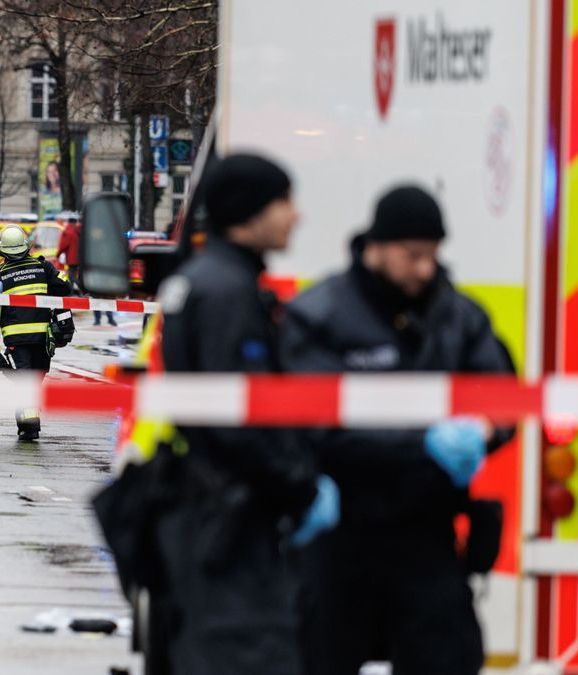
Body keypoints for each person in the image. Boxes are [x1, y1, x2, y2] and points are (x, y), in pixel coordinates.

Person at [281, 185, 515, 675]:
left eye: (432, 256)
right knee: (318, 657)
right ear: (377, 246)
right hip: (342, 534)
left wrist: (486, 430)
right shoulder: (321, 314)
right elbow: (315, 421)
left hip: (425, 533)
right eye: (413, 256)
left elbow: (503, 397)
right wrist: (422, 443)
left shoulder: (458, 317)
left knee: (449, 659)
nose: (425, 269)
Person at [152, 154, 336, 673]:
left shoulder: (202, 280)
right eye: (284, 203)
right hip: (233, 523)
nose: (295, 216)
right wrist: (300, 485)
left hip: (210, 513)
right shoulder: (229, 293)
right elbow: (241, 416)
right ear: (248, 211)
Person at [0, 224, 74, 441]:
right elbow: (65, 288)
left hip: (16, 339)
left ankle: (29, 424)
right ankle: (29, 422)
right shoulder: (43, 268)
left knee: (25, 381)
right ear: (26, 247)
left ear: (2, 250)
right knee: (34, 380)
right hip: (43, 339)